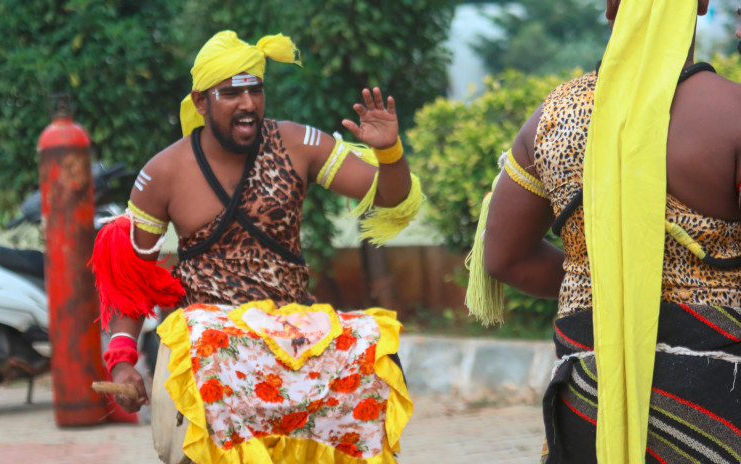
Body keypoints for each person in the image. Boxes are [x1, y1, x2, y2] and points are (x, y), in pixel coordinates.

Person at [90, 30, 420, 463]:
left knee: (373, 345)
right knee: (209, 346)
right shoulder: (164, 172)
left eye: (255, 91)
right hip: (212, 348)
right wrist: (122, 360)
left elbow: (389, 196)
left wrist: (390, 153)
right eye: (230, 94)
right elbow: (129, 281)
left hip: (292, 337)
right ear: (202, 101)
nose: (247, 104)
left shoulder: (298, 144)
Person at [473, 0, 741, 462]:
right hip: (717, 388)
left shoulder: (551, 119)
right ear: (701, 5)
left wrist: (615, 286)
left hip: (589, 391)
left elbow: (502, 259)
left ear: (609, 7)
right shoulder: (732, 112)